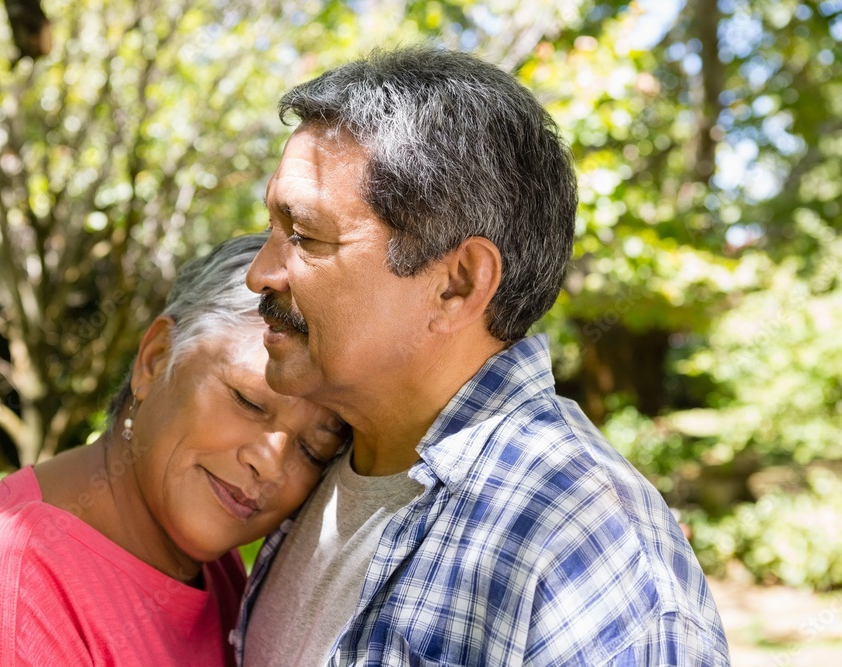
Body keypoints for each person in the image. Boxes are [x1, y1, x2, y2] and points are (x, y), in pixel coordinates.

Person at [238, 47, 730, 666]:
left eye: (306, 236)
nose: (259, 275)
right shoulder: (313, 464)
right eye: (272, 232)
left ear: (458, 284)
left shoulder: (580, 543)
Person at [0, 233, 348, 666]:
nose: (272, 461)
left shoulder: (217, 571)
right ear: (154, 360)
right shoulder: (5, 589)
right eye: (246, 400)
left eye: (314, 449)